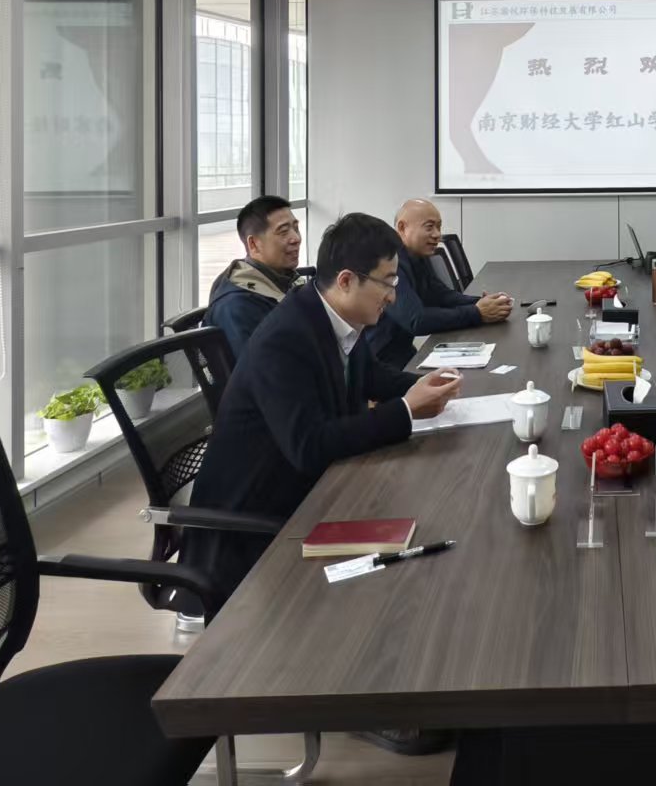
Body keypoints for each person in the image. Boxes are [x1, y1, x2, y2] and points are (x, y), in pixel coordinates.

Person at [183, 213, 463, 605]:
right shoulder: (285, 338)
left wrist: (425, 384)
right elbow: (309, 446)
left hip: (312, 490)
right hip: (256, 525)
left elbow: (371, 376)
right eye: (388, 282)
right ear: (346, 280)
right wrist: (405, 410)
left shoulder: (331, 314)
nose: (393, 296)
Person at [366, 199, 512, 369]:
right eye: (429, 227)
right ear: (402, 227)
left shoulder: (416, 256)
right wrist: (477, 312)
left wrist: (483, 303)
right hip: (381, 362)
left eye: (439, 227)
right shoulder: (390, 262)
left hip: (404, 353)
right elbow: (417, 320)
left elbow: (440, 295)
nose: (437, 235)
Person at [205, 196, 304, 365]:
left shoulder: (286, 280)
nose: (296, 238)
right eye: (283, 232)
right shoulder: (236, 306)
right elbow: (260, 372)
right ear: (254, 244)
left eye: (296, 228)